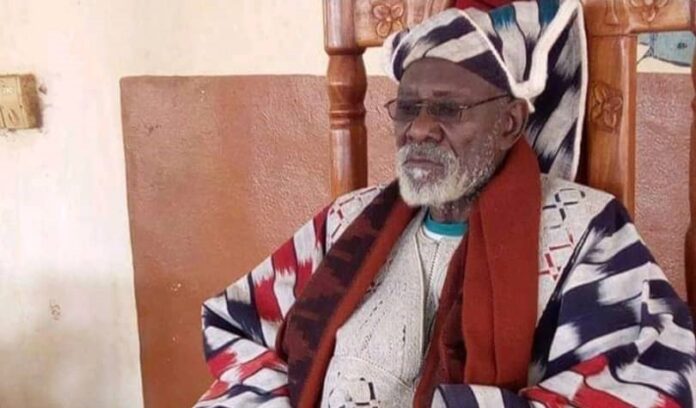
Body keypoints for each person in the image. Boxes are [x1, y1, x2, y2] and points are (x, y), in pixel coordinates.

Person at [194, 0, 696, 406]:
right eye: (408, 107)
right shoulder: (347, 222)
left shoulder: (587, 230)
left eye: (448, 109)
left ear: (510, 124)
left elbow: (651, 377)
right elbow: (236, 323)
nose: (419, 129)